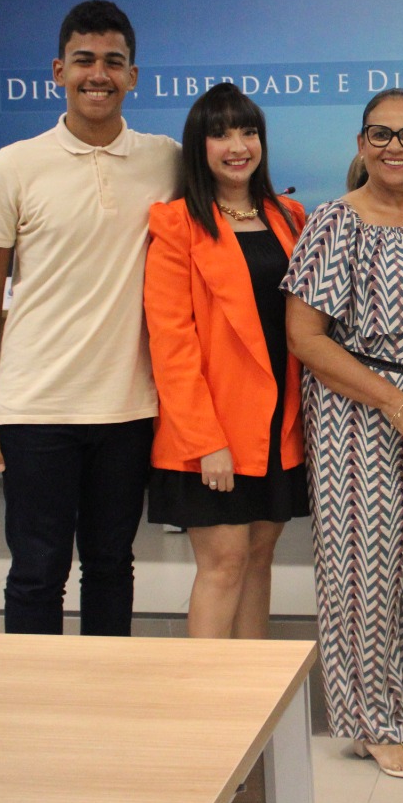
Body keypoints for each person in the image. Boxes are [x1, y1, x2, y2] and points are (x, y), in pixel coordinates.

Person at [0, 0, 180, 635]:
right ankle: (34, 693)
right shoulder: (13, 165)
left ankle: (103, 689)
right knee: (38, 571)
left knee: (111, 566)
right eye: (84, 60)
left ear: (133, 76)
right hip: (36, 408)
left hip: (128, 408)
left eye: (114, 62)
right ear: (59, 71)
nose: (98, 74)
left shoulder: (167, 161)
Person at [283, 89, 403, 781]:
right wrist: (396, 401)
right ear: (362, 144)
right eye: (381, 134)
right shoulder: (336, 222)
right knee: (365, 570)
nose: (395, 146)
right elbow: (306, 339)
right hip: (363, 412)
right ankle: (373, 723)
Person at [143, 84, 310, 640]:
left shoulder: (289, 216)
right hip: (212, 430)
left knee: (259, 560)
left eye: (248, 131)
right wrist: (205, 440)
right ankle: (207, 692)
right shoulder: (177, 224)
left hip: (277, 425)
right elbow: (171, 343)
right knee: (224, 564)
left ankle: (253, 687)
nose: (238, 146)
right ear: (200, 146)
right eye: (221, 134)